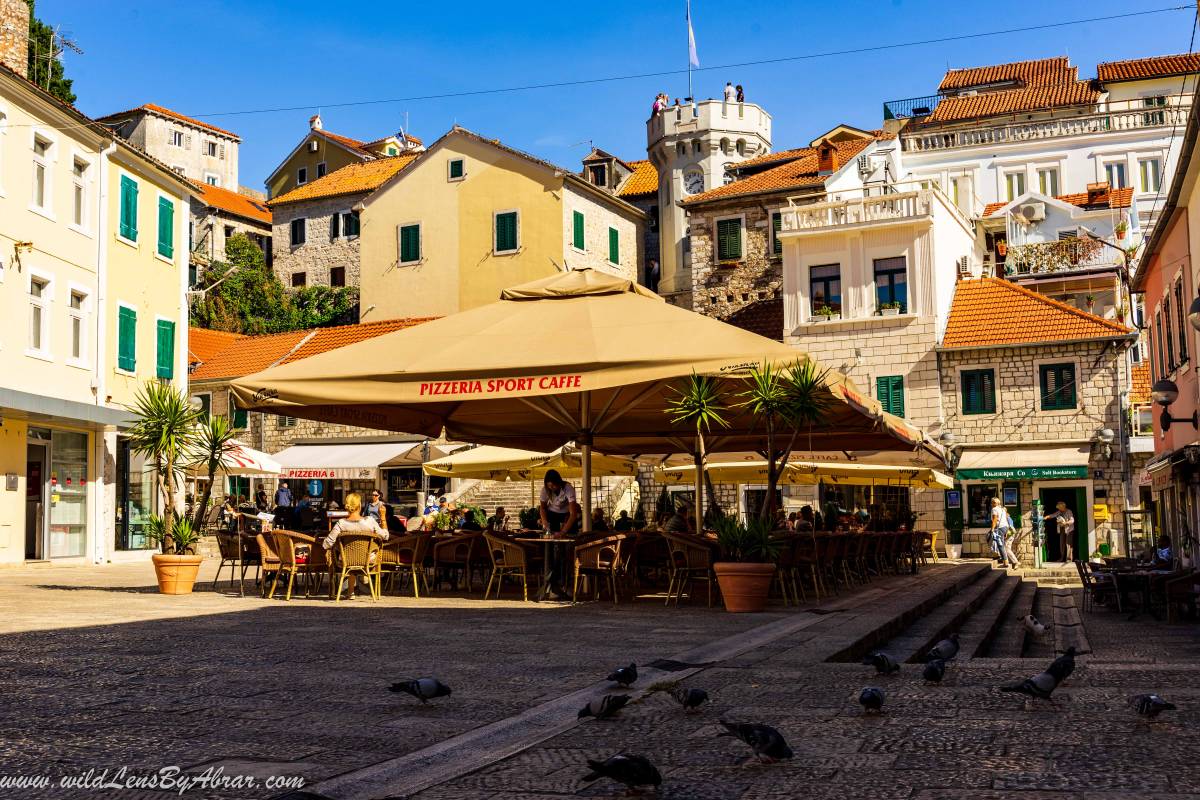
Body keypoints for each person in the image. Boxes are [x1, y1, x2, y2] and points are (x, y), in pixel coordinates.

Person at [323, 492, 389, 598]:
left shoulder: (341, 523)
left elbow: (326, 544)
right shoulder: (370, 521)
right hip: (368, 560)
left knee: (349, 556)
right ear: (359, 506)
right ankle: (363, 589)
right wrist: (383, 517)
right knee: (357, 557)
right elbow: (385, 536)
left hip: (346, 561)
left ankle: (350, 591)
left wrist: (335, 545)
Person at [538, 470, 579, 600]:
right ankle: (550, 583)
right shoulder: (545, 490)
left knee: (566, 551)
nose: (552, 488)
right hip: (552, 515)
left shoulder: (568, 488)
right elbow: (543, 508)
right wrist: (544, 521)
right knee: (549, 549)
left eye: (554, 486)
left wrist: (563, 532)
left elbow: (573, 514)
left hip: (567, 516)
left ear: (559, 483)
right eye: (549, 486)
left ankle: (564, 584)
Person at [990, 497, 1020, 569]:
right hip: (1005, 528)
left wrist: (992, 529)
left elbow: (995, 519)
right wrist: (1006, 531)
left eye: (992, 502)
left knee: (1001, 545)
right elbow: (1006, 521)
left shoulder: (994, 509)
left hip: (1001, 528)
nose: (991, 504)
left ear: (995, 503)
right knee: (1002, 545)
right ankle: (1001, 558)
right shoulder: (1002, 510)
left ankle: (1006, 561)